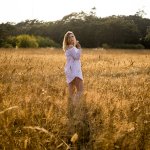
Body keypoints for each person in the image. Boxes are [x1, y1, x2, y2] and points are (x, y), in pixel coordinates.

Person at [63, 31, 83, 105]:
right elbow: (77, 57)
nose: (72, 38)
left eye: (72, 36)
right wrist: (79, 47)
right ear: (67, 39)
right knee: (80, 90)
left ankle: (71, 106)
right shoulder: (71, 47)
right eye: (69, 37)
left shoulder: (68, 47)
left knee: (71, 91)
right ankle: (75, 104)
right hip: (74, 71)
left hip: (70, 70)